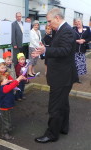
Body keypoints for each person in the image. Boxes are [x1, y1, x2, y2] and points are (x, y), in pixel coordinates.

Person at [34, 8, 78, 143]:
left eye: (49, 21)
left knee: (55, 106)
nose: (48, 24)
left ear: (57, 18)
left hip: (62, 77)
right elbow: (56, 49)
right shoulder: (60, 30)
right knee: (63, 104)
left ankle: (52, 134)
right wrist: (44, 51)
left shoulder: (67, 31)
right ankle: (63, 127)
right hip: (61, 75)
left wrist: (46, 50)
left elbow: (64, 50)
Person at [0, 75, 26, 140]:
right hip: (4, 108)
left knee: (8, 119)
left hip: (7, 106)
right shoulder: (3, 88)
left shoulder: (5, 85)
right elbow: (11, 86)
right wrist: (18, 79)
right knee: (6, 121)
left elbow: (12, 84)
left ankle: (8, 128)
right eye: (5, 79)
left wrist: (19, 79)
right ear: (1, 83)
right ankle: (4, 133)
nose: (7, 79)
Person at [73, 18, 91, 83]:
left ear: (81, 22)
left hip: (82, 50)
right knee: (74, 64)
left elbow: (89, 37)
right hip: (74, 50)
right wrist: (76, 41)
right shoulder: (73, 29)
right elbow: (70, 38)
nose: (77, 23)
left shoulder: (87, 28)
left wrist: (84, 40)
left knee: (80, 65)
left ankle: (76, 78)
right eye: (76, 22)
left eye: (79, 21)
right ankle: (74, 78)